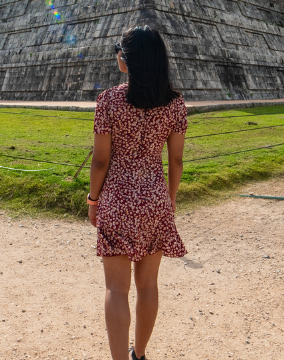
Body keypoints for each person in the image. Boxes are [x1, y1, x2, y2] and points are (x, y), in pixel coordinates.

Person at [88, 25, 188, 360]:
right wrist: (169, 200)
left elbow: (101, 160)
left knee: (116, 289)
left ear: (127, 60)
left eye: (120, 50)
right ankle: (140, 354)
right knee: (148, 286)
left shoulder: (109, 101)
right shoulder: (175, 104)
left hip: (116, 198)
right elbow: (176, 161)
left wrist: (93, 200)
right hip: (155, 198)